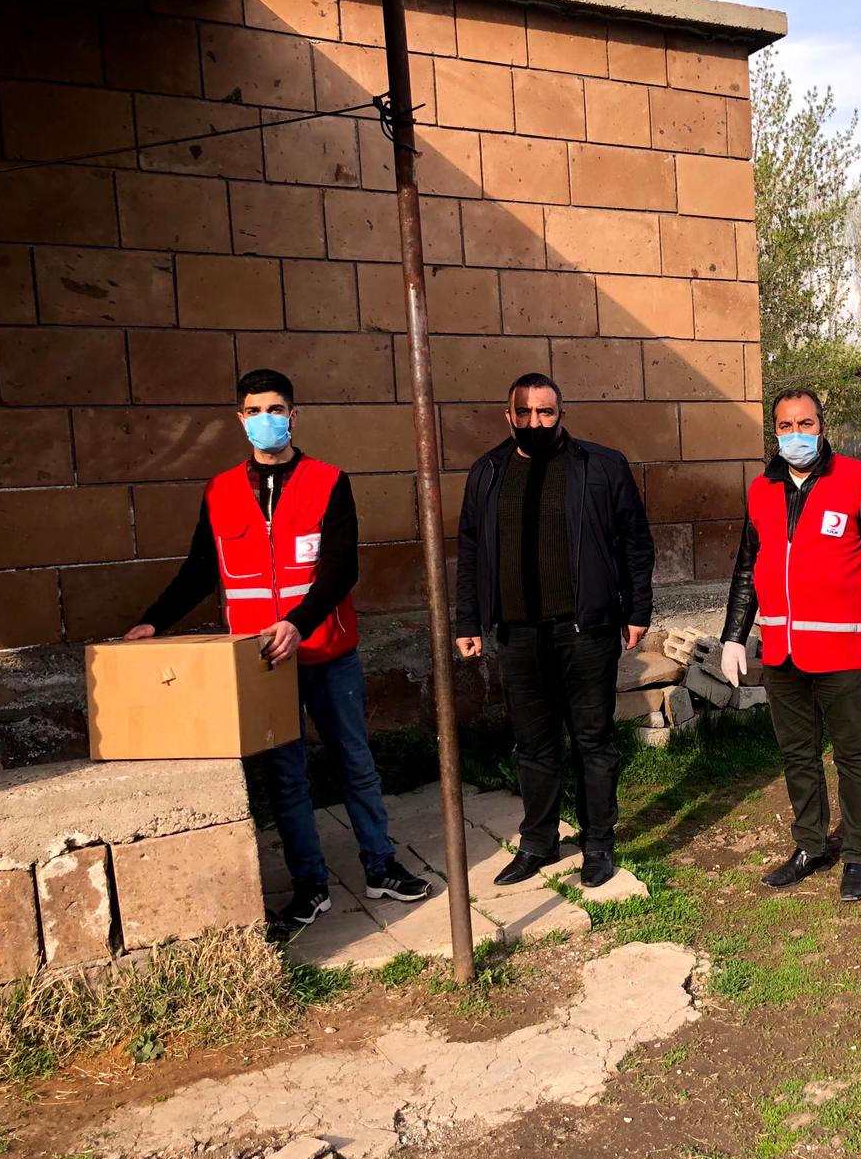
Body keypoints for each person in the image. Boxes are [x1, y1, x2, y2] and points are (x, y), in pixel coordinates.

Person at [126, 368, 431, 932]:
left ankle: (380, 867)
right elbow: (201, 569)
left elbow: (342, 567)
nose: (266, 419)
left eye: (276, 409)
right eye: (254, 411)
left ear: (294, 415)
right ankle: (310, 885)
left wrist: (297, 621)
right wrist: (153, 622)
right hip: (259, 661)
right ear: (240, 419)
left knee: (354, 763)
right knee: (286, 777)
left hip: (327, 650)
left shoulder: (328, 480)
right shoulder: (219, 492)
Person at [454, 372, 655, 890]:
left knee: (593, 740)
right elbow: (471, 549)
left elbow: (636, 542)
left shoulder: (600, 466)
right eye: (524, 413)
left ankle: (597, 845)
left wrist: (637, 611)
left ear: (561, 413)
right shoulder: (488, 472)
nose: (535, 422)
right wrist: (469, 619)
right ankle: (538, 843)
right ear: (509, 416)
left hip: (585, 629)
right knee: (534, 745)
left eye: (545, 412)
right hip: (518, 633)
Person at [719, 388, 861, 902]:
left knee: (853, 754)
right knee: (797, 754)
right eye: (785, 426)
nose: (795, 434)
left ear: (822, 426)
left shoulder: (858, 481)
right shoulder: (761, 489)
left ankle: (860, 855)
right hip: (782, 651)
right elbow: (746, 567)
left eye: (805, 424)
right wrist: (734, 635)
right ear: (774, 432)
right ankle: (809, 846)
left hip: (843, 652)